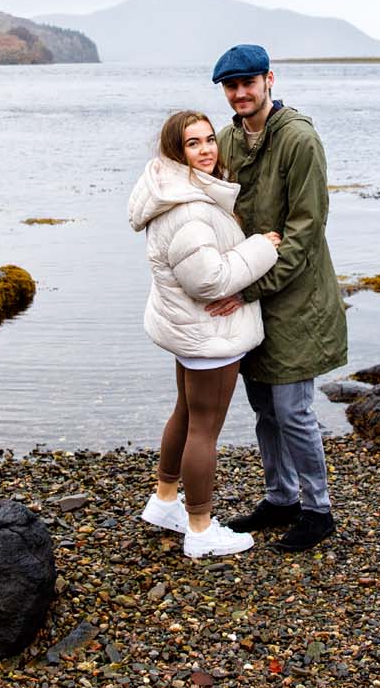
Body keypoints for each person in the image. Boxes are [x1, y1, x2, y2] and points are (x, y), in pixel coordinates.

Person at [205, 44, 348, 552]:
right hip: (248, 292)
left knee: (293, 410)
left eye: (248, 83)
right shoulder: (225, 139)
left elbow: (305, 232)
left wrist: (248, 286)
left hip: (296, 295)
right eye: (230, 86)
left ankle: (318, 510)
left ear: (269, 80)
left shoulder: (299, 140)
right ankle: (280, 496)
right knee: (263, 404)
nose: (240, 93)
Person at [127, 109, 283, 558]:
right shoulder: (190, 209)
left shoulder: (173, 188)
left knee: (185, 413)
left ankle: (164, 501)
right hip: (209, 333)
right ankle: (199, 528)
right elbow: (209, 282)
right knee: (205, 430)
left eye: (210, 139)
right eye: (193, 143)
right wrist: (261, 247)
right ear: (176, 151)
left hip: (187, 331)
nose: (207, 149)